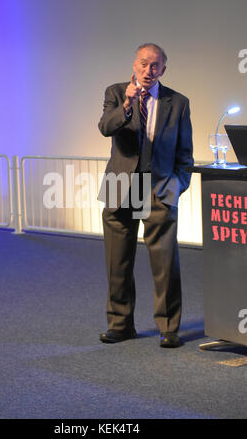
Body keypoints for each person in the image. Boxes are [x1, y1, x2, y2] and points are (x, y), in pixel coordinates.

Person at [98, 43, 193, 348]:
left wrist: (176, 186)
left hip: (158, 186)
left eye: (155, 66)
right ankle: (120, 325)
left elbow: (185, 153)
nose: (148, 71)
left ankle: (169, 328)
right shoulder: (115, 92)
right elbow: (106, 127)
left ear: (163, 69)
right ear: (134, 64)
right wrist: (127, 104)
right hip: (119, 185)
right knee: (117, 262)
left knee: (165, 265)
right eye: (143, 64)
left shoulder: (178, 102)